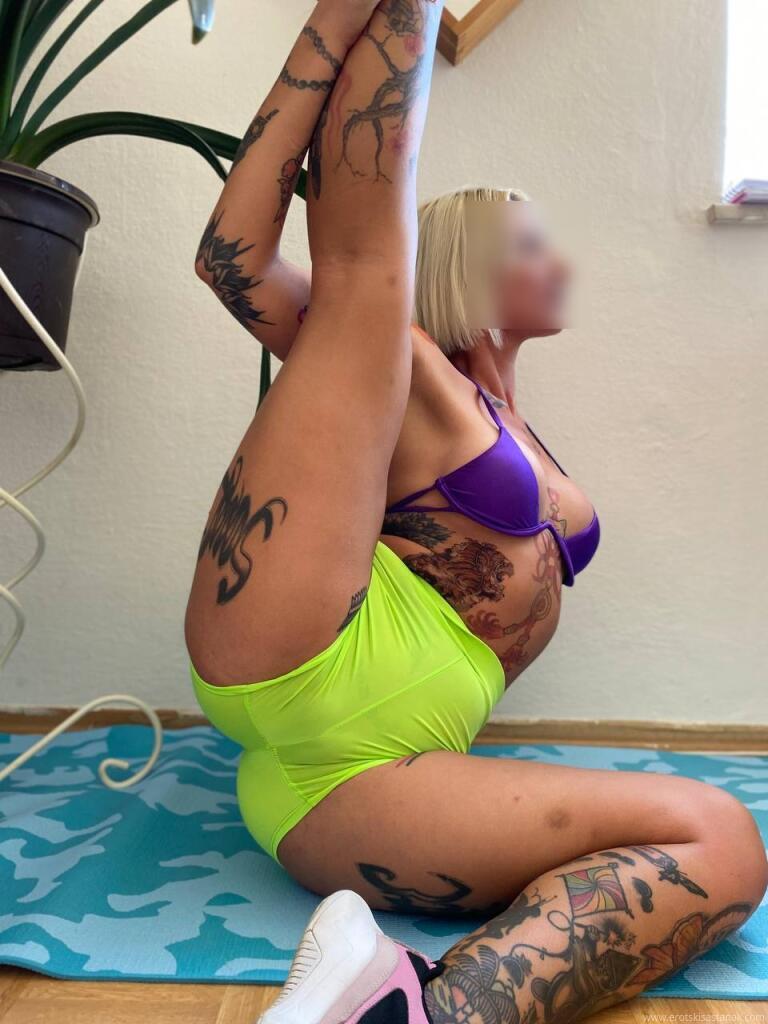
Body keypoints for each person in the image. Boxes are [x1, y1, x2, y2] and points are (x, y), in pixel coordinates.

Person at [183, 2, 768, 1021]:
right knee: (367, 284)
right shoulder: (405, 362)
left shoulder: (519, 425)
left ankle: (415, 1009)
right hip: (312, 652)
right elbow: (232, 257)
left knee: (723, 837)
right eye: (533, 243)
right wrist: (336, 29)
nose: (564, 263)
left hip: (354, 789)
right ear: (469, 267)